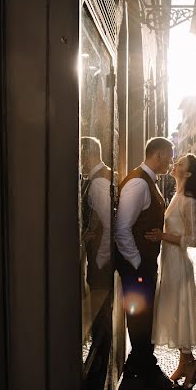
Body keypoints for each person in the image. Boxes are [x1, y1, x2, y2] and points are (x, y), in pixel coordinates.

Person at [145, 154, 196, 389]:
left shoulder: (189, 201)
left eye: (181, 163)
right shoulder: (176, 196)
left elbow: (193, 240)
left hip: (179, 265)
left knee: (179, 314)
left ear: (188, 174)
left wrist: (163, 235)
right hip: (169, 262)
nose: (175, 164)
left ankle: (191, 365)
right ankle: (186, 365)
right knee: (175, 314)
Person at [113, 137, 176, 390]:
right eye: (170, 157)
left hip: (143, 263)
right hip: (136, 265)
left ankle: (135, 366)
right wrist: (139, 261)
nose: (171, 162)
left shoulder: (148, 181)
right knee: (140, 318)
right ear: (159, 155)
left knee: (143, 316)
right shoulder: (139, 183)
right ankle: (148, 372)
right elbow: (121, 228)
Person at [80, 137, 113, 324]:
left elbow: (108, 224)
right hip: (99, 256)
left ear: (88, 154)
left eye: (81, 155)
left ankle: (100, 350)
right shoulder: (99, 176)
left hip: (100, 259)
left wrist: (100, 259)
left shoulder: (99, 182)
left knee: (100, 311)